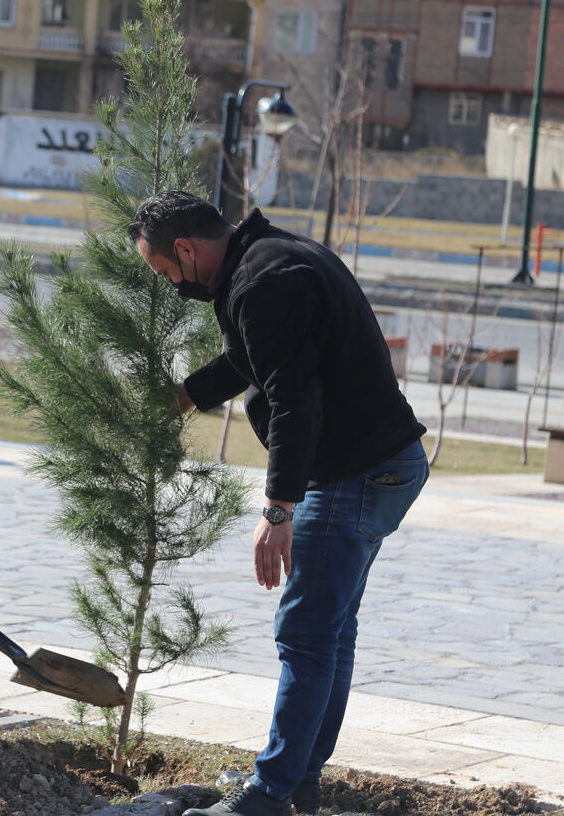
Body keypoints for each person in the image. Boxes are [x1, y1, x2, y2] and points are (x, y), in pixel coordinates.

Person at [129, 190, 428, 816]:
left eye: (163, 272)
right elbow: (250, 360)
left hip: (354, 472)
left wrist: (277, 510)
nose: (169, 284)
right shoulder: (267, 258)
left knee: (307, 633)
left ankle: (266, 797)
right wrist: (178, 399)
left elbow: (295, 400)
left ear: (186, 250)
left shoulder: (262, 282)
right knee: (330, 631)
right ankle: (298, 785)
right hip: (379, 464)